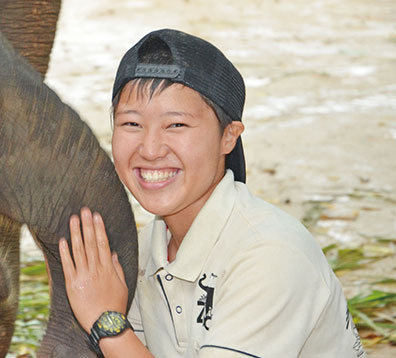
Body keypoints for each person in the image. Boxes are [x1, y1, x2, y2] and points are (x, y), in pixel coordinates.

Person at [58, 29, 365, 358]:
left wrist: (108, 324)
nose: (149, 149)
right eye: (132, 124)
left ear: (228, 137)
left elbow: (118, 340)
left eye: (176, 125)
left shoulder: (271, 255)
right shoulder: (149, 250)